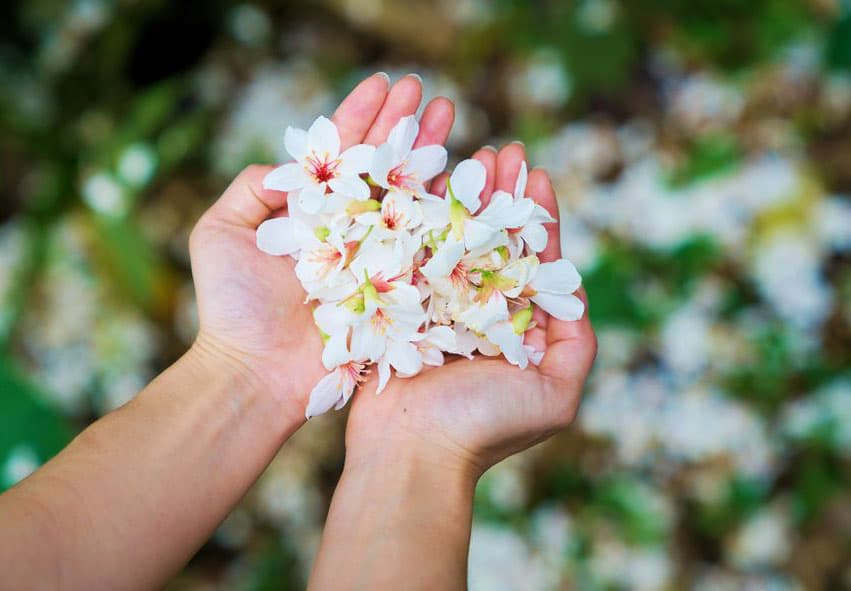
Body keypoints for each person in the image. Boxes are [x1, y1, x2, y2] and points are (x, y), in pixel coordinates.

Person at [0, 73, 597, 590]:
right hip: (367, 282)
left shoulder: (411, 250)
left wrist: (242, 369)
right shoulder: (348, 259)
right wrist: (245, 365)